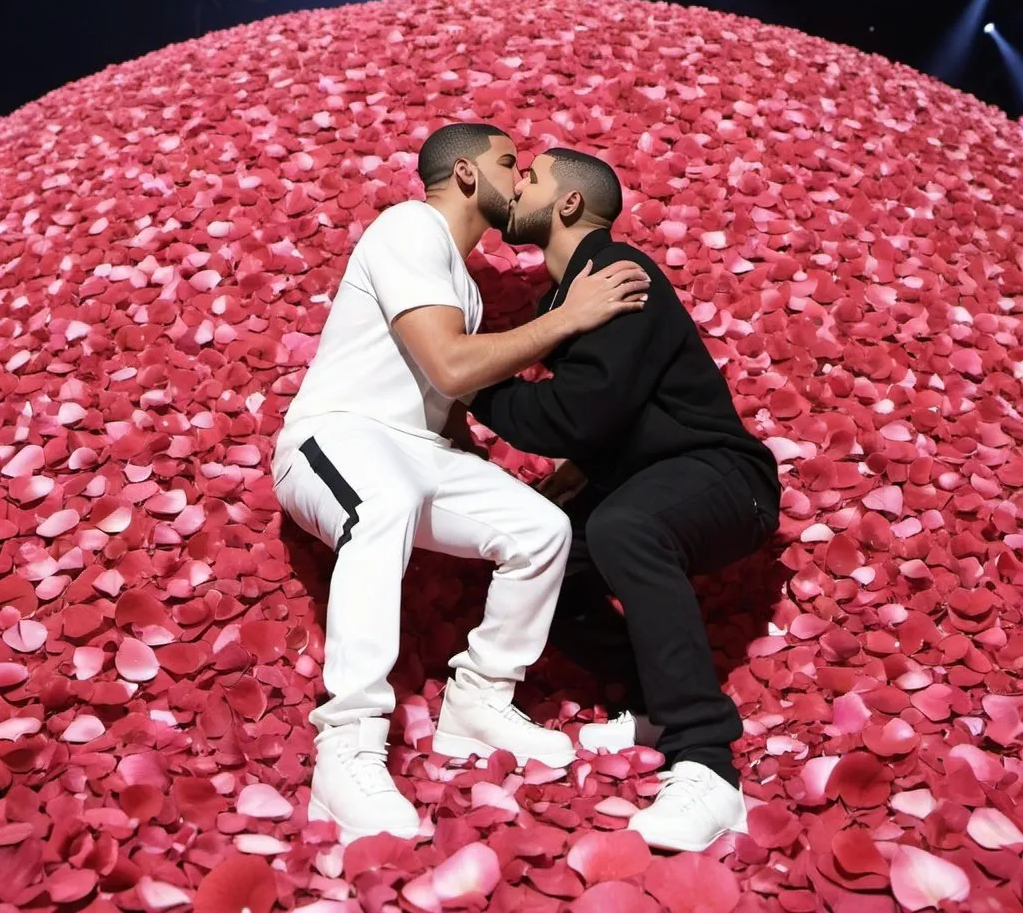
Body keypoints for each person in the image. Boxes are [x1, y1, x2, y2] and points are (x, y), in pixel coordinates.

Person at [271, 123, 651, 841]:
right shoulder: (408, 227)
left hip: (417, 455)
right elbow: (449, 367)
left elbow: (441, 413)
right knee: (382, 501)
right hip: (341, 436)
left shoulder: (461, 286)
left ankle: (477, 702)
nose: (520, 179)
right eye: (511, 164)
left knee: (541, 530)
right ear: (470, 176)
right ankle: (346, 748)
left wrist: (505, 476)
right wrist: (573, 316)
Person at [464, 146, 781, 853]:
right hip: (647, 482)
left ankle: (706, 765)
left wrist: (464, 375)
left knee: (624, 527)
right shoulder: (564, 298)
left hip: (726, 478)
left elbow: (582, 416)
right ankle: (655, 703)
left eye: (531, 179)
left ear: (569, 204)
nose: (515, 189)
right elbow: (605, 422)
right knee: (547, 562)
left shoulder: (617, 272)